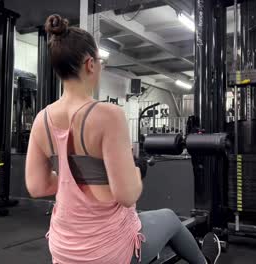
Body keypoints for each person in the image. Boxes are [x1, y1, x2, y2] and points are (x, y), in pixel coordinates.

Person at [25, 14, 221, 264]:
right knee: (170, 218)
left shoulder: (42, 119)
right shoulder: (108, 115)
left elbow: (37, 186)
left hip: (63, 250)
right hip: (106, 253)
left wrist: (82, 175)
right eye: (99, 61)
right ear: (89, 64)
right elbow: (127, 195)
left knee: (144, 222)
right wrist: (133, 170)